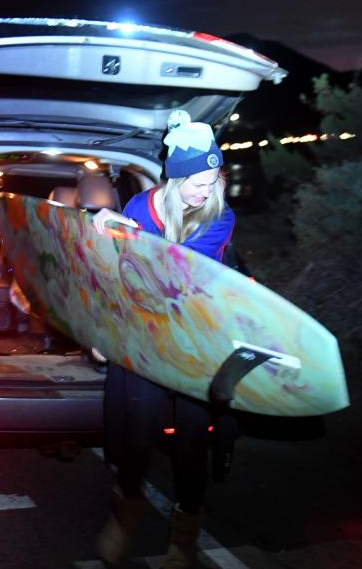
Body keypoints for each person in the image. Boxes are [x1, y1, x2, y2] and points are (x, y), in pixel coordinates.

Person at [90, 109, 235, 568]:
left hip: (195, 340)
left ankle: (183, 540)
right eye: (197, 179)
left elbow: (176, 272)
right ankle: (125, 516)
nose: (206, 188)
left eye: (212, 176)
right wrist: (102, 328)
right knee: (137, 436)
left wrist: (126, 232)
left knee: (192, 443)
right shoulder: (141, 207)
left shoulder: (220, 217)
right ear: (174, 178)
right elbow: (118, 275)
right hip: (144, 338)